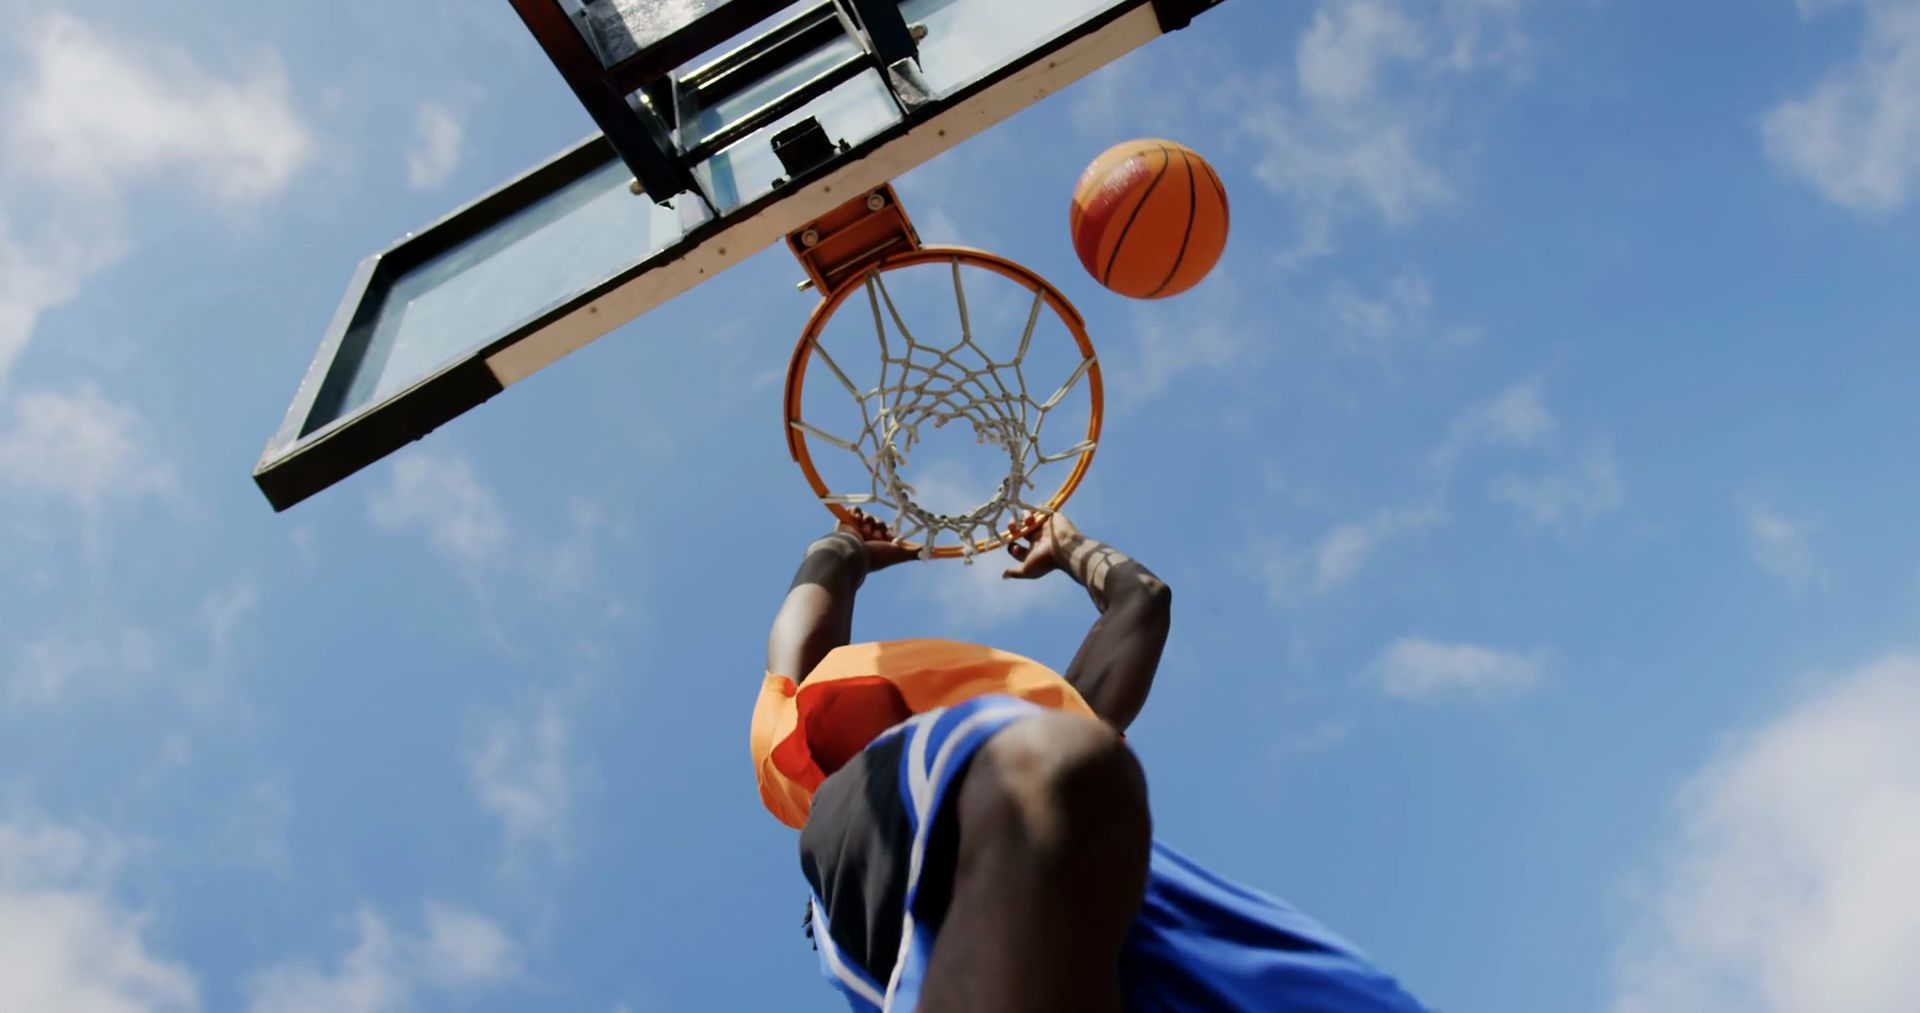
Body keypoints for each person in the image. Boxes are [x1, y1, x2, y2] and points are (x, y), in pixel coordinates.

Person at [752, 509, 1431, 1012]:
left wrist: (848, 549)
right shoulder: (826, 748)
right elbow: (1141, 601)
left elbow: (1146, 600)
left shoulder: (1071, 743)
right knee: (1043, 766)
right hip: (945, 812)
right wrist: (846, 547)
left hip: (1122, 897)